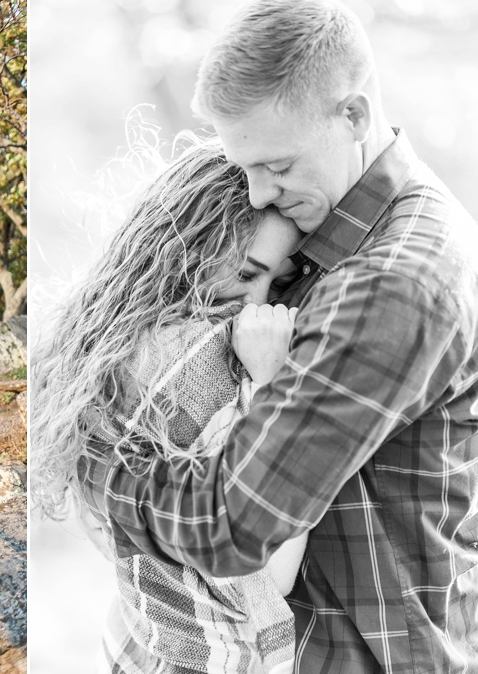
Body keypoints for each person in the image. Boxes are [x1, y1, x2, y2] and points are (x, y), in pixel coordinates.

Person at [74, 1, 478, 671]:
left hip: (362, 652)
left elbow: (232, 525)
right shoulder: (353, 222)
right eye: (248, 167)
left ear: (352, 115)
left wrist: (99, 471)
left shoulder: (392, 283)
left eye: (278, 166)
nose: (259, 193)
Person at [32, 135, 309, 672]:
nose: (258, 304)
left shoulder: (106, 342)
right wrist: (274, 384)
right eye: (248, 274)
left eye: (281, 282)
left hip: (135, 645)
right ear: (193, 246)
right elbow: (268, 574)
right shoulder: (204, 361)